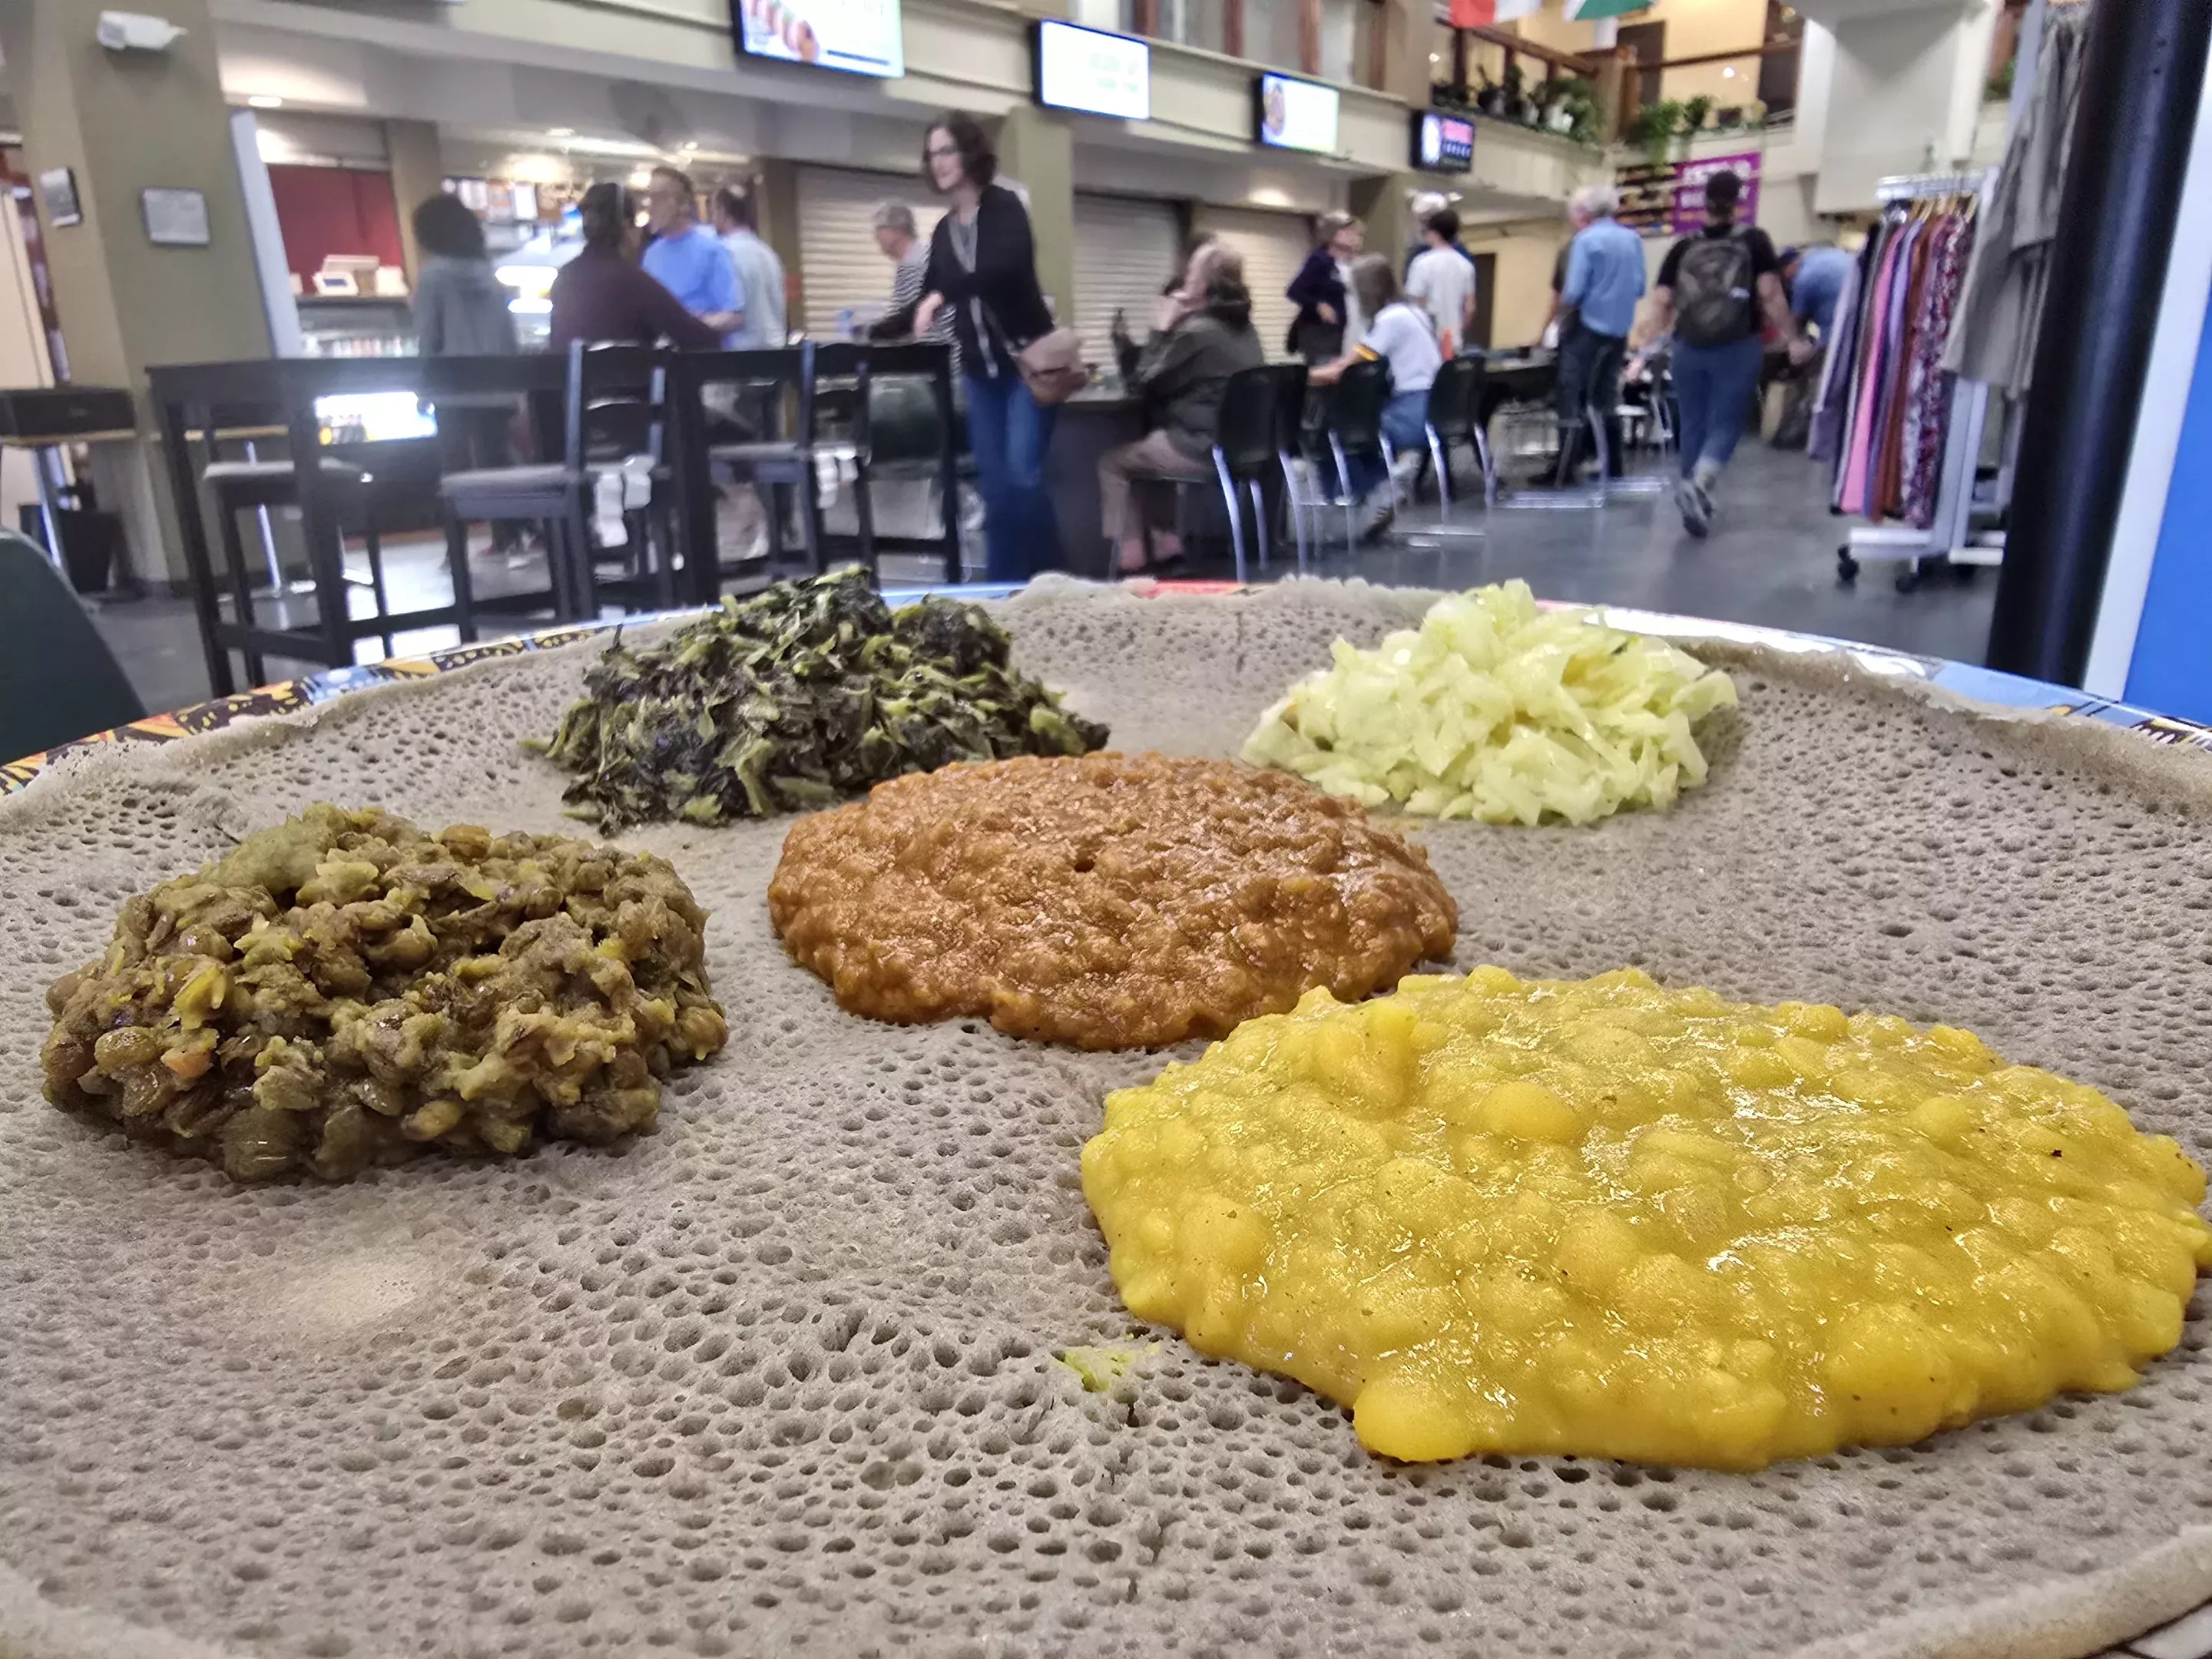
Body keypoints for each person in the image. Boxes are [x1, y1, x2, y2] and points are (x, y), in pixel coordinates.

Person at [889, 111, 1061, 582]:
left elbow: (1004, 266)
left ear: (969, 152)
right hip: (980, 377)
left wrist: (942, 295)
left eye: (947, 150)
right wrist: (881, 330)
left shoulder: (1005, 207)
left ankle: (1055, 580)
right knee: (997, 491)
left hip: (1028, 366)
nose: (939, 162)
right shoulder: (944, 230)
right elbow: (926, 295)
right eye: (932, 154)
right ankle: (1004, 590)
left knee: (1023, 478)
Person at [1638, 170, 1811, 536]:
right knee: (1727, 421)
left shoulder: (1683, 246)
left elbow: (1663, 300)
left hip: (1688, 346)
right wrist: (1793, 337)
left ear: (1704, 201)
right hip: (1737, 346)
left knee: (1692, 422)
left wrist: (1649, 343)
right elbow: (1770, 294)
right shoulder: (1754, 240)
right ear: (1738, 201)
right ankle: (1700, 484)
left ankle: (1691, 490)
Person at [1098, 243, 1264, 575]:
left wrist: (1160, 328)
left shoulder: (1198, 332)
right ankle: (1169, 548)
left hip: (1201, 449)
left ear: (1201, 286)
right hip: (1240, 450)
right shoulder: (1246, 329)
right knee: (1154, 448)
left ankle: (1131, 559)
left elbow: (1141, 382)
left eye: (1190, 273)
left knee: (1114, 463)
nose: (1185, 279)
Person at [411, 193, 522, 551]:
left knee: (454, 469)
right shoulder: (490, 276)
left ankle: (456, 546)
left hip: (453, 388)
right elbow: (508, 335)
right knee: (496, 466)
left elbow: (428, 337)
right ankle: (508, 537)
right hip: (495, 386)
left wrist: (423, 389)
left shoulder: (433, 277)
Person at [1310, 253, 1441, 538]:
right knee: (1361, 428)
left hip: (1412, 411)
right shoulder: (1413, 313)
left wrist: (1303, 376)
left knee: (1340, 433)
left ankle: (1369, 493)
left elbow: (1346, 369)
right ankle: (1381, 486)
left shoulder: (1389, 320)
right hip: (1434, 407)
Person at [548, 181, 724, 352]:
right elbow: (697, 337)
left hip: (568, 372)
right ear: (627, 227)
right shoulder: (631, 280)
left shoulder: (564, 276)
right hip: (623, 372)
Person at [1554, 184, 1647, 481]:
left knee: (1572, 395)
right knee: (1606, 397)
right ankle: (1612, 463)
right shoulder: (1632, 239)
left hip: (1587, 328)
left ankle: (1566, 468)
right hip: (1619, 331)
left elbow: (1573, 292)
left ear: (1587, 210)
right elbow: (1640, 287)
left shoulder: (1585, 240)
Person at [640, 165, 741, 342]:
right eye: (650, 198)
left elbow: (736, 317)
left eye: (659, 198)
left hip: (699, 354)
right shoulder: (650, 255)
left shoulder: (712, 249)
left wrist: (688, 325)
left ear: (684, 205)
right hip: (659, 355)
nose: (651, 207)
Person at [710, 185, 786, 349]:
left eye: (713, 211)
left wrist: (694, 322)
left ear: (722, 211)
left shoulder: (723, 253)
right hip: (777, 354)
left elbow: (734, 317)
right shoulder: (769, 254)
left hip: (742, 356)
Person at [1286, 212, 1362, 364]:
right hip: (1319, 332)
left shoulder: (1348, 263)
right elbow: (1294, 291)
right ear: (1332, 233)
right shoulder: (1320, 260)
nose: (1353, 236)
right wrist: (1318, 305)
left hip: (1341, 333)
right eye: (1347, 231)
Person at [1406, 207, 1476, 359]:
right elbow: (1469, 308)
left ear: (1435, 233)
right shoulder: (1465, 265)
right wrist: (1457, 330)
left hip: (1427, 342)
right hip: (1453, 342)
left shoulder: (1422, 263)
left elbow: (1416, 304)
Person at [1537, 192, 1598, 348]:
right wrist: (1545, 330)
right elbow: (1557, 297)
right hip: (1570, 331)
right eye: (1578, 211)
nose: (1583, 217)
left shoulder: (1607, 250)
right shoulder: (1567, 251)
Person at [1783, 243, 1856, 343]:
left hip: (1838, 333)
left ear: (1790, 267)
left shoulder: (1802, 280)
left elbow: (1796, 325)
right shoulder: (1825, 254)